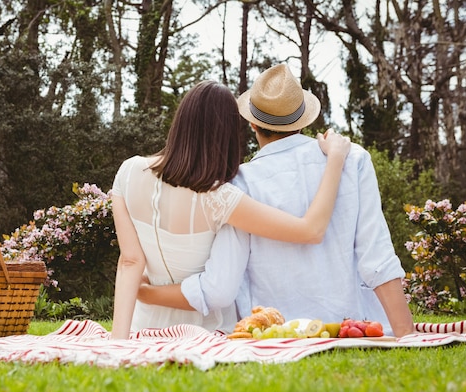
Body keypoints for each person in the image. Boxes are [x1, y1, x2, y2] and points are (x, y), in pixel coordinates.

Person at [136, 64, 415, 337]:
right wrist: (406, 334)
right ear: (303, 117)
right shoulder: (352, 159)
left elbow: (218, 284)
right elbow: (376, 256)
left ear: (252, 122)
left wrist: (147, 292)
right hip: (347, 328)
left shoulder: (239, 184)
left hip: (274, 334)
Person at [110, 79, 351, 339]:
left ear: (180, 122)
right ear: (227, 134)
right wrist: (335, 160)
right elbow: (310, 231)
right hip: (204, 332)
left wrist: (118, 340)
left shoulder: (129, 171)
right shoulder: (221, 198)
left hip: (143, 326)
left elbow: (130, 261)